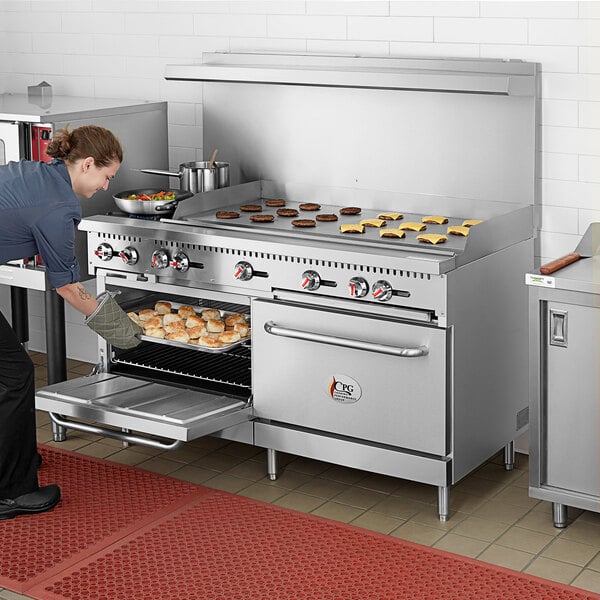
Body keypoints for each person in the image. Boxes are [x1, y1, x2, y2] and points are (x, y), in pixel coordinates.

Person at [0, 125, 142, 520]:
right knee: (14, 375)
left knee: (7, 373)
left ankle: (16, 460)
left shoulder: (39, 174)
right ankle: (11, 492)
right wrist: (123, 333)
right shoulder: (60, 209)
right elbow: (69, 289)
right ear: (87, 164)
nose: (105, 185)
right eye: (106, 176)